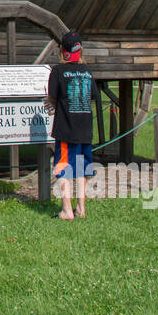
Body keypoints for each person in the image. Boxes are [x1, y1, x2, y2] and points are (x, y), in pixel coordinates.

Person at [45, 31, 99, 220]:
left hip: (67, 128)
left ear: (62, 51)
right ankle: (81, 209)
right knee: (83, 169)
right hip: (85, 128)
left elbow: (53, 96)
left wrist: (49, 102)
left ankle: (67, 210)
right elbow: (92, 95)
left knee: (62, 168)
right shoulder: (87, 71)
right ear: (79, 50)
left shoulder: (58, 71)